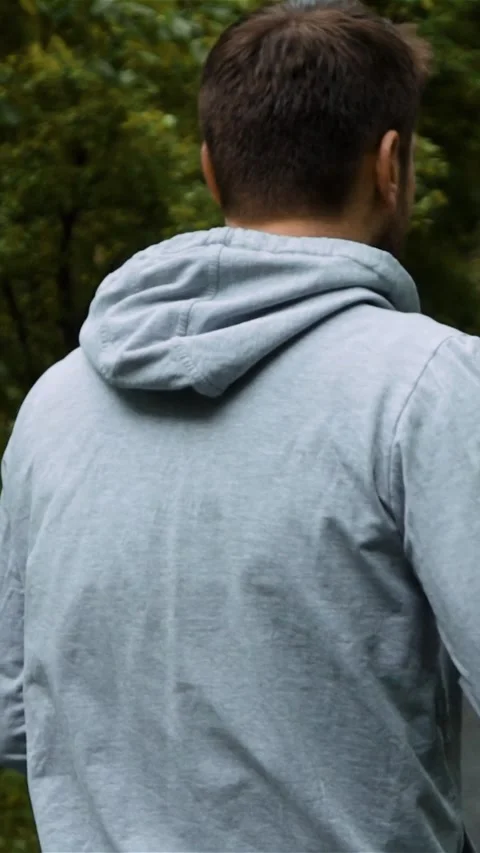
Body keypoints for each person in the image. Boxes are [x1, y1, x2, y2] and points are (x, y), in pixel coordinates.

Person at [0, 1, 478, 850]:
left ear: (212, 171)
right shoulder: (428, 384)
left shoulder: (55, 403)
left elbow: (14, 713)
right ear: (390, 165)